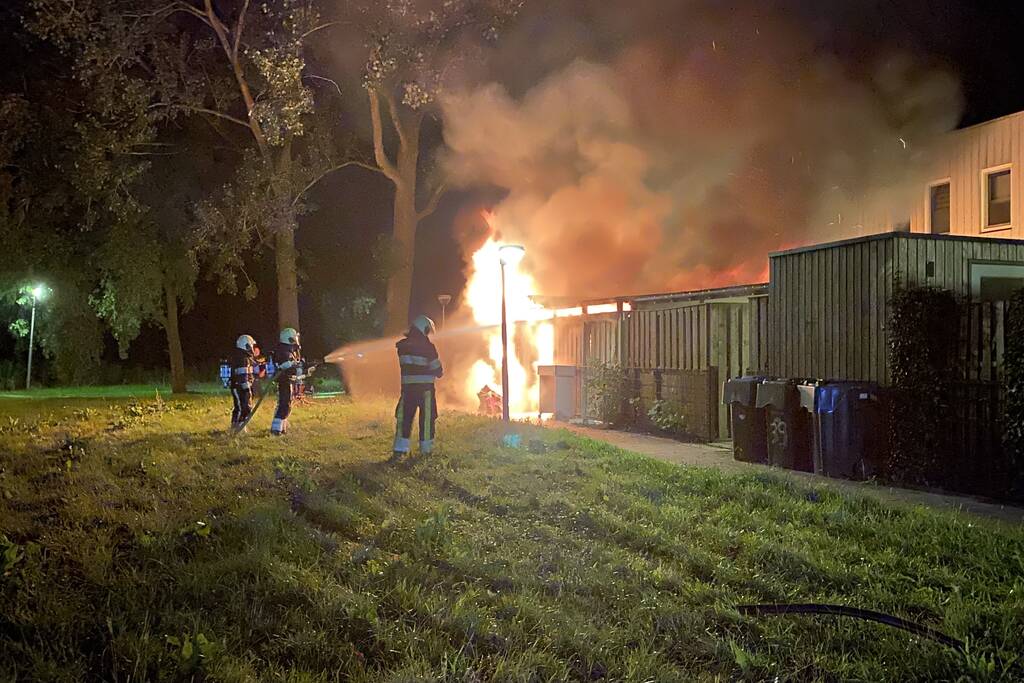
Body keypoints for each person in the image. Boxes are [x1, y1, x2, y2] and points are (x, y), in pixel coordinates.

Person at [392, 315, 443, 460]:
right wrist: (438, 371)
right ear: (424, 329)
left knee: (404, 419)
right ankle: (425, 451)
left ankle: (399, 450)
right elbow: (437, 369)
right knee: (427, 419)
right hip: (425, 390)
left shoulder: (402, 347)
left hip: (408, 390)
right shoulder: (427, 347)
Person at [271, 327, 303, 435]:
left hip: (287, 380)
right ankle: (276, 429)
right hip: (284, 381)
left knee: (287, 404)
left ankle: (282, 427)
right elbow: (283, 365)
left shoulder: (287, 350)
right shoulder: (283, 351)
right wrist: (291, 363)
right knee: (284, 404)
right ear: (289, 339)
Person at [230, 334, 259, 430]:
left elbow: (254, 368)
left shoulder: (246, 358)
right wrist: (246, 388)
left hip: (243, 387)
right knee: (240, 407)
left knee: (246, 407)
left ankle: (240, 426)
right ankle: (236, 427)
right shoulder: (242, 359)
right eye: (252, 346)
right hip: (239, 387)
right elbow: (242, 375)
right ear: (247, 345)